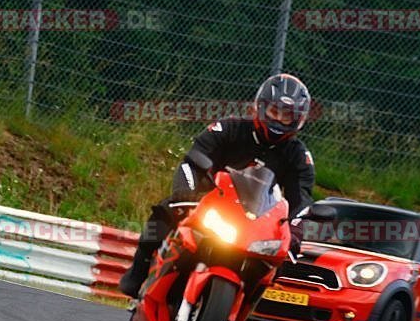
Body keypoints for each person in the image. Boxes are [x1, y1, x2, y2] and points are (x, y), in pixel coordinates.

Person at [119, 73, 316, 298]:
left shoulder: (299, 156)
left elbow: (302, 200)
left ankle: (246, 301)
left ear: (298, 120)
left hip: (257, 223)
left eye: (287, 116)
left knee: (278, 262)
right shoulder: (228, 128)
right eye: (274, 111)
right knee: (164, 214)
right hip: (209, 204)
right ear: (260, 107)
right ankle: (138, 273)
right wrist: (185, 194)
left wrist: (294, 234)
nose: (279, 120)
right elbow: (193, 160)